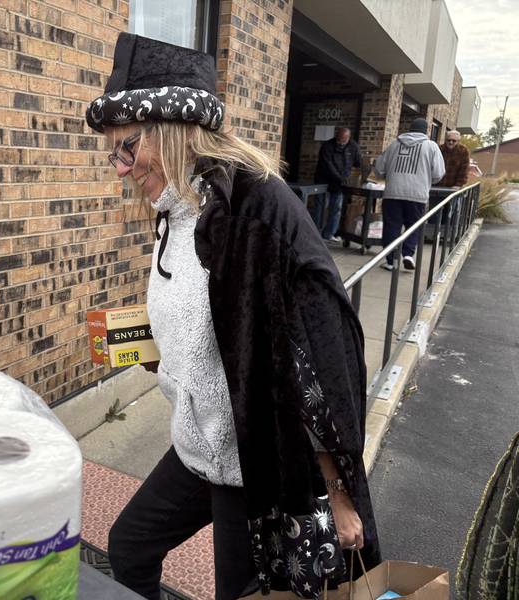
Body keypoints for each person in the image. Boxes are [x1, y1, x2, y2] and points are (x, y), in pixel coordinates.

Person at [86, 33, 380, 600]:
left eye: (127, 147)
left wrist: (338, 491)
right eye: (113, 153)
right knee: (130, 545)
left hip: (254, 463)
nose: (120, 169)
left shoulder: (254, 210)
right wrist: (163, 354)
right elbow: (214, 319)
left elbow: (320, 353)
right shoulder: (177, 206)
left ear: (174, 130)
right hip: (201, 443)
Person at [373, 118, 445, 271]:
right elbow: (439, 173)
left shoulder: (394, 144)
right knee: (414, 225)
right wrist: (427, 180)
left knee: (391, 226)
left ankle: (391, 261)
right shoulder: (431, 147)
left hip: (393, 193)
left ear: (410, 129)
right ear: (426, 130)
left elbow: (379, 168)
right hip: (417, 194)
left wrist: (388, 175)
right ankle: (408, 254)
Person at [313, 127, 362, 242]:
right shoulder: (327, 146)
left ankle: (329, 234)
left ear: (348, 138)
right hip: (324, 180)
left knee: (336, 208)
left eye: (342, 140)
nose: (339, 142)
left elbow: (358, 162)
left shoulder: (353, 147)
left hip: (340, 183)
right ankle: (315, 233)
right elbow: (328, 165)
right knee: (321, 207)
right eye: (338, 139)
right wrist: (340, 178)